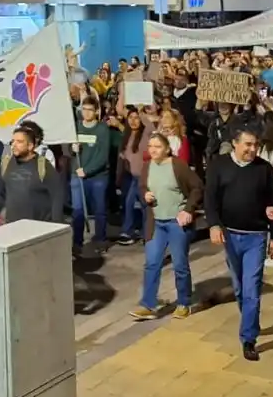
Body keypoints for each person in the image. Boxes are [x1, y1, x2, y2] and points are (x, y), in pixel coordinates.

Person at [203, 130, 273, 361]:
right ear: (234, 144)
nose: (252, 149)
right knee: (239, 288)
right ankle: (249, 318)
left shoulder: (264, 169)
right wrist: (214, 225)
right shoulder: (219, 165)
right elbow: (210, 198)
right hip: (230, 235)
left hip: (256, 236)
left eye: (255, 145)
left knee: (252, 288)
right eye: (247, 144)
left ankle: (248, 338)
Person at [129, 134, 203, 322]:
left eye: (158, 146)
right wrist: (145, 194)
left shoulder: (178, 166)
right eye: (151, 146)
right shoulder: (148, 166)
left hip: (176, 223)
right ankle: (148, 305)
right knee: (152, 263)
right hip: (156, 223)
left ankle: (184, 302)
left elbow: (197, 187)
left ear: (167, 149)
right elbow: (142, 187)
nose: (153, 150)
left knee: (180, 264)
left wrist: (188, 210)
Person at [0, 121, 63, 223]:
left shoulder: (43, 165)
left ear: (30, 146)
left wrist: (56, 222)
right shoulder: (6, 163)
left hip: (39, 226)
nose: (14, 145)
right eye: (13, 141)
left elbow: (57, 195)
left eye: (19, 142)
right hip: (12, 225)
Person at [72, 100, 114, 248]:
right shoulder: (75, 127)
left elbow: (103, 156)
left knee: (99, 210)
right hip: (77, 174)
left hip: (98, 177)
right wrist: (73, 149)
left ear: (96, 111)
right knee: (78, 210)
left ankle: (100, 240)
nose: (86, 112)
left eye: (90, 110)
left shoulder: (102, 129)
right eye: (84, 109)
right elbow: (68, 152)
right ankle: (77, 241)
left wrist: (87, 170)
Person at [116, 108, 151, 245]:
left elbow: (150, 126)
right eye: (131, 118)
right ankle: (130, 231)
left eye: (136, 118)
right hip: (132, 176)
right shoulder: (127, 134)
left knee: (143, 205)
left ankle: (144, 232)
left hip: (144, 176)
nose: (133, 121)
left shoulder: (145, 134)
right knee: (130, 203)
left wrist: (141, 110)